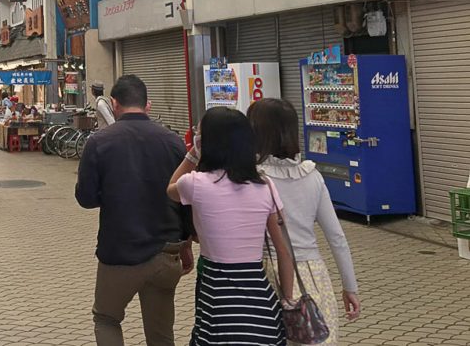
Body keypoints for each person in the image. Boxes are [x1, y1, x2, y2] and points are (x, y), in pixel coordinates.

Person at [75, 75, 194, 346]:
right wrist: (187, 243)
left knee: (107, 319)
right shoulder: (173, 141)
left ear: (114, 104)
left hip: (119, 254)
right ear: (147, 105)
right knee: (161, 333)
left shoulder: (100, 142)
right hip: (167, 252)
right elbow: (186, 198)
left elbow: (86, 198)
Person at [168, 106, 294, 346]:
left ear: (207, 142)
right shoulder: (265, 186)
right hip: (262, 309)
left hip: (217, 308)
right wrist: (287, 301)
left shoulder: (195, 184)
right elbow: (283, 252)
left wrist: (193, 155)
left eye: (199, 133)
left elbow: (170, 187)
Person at [249, 98, 361, 344]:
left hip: (265, 276)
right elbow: (337, 237)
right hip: (313, 276)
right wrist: (349, 287)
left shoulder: (253, 179)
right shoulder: (312, 175)